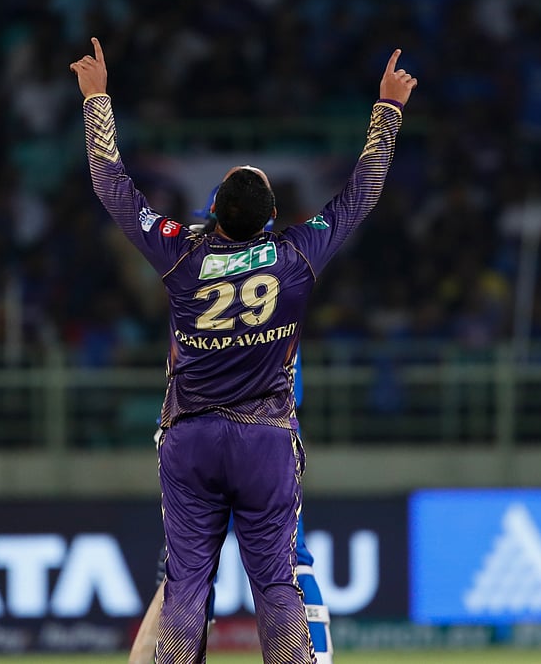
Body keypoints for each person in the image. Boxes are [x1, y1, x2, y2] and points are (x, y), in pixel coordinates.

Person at [71, 37, 415, 663]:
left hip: (191, 440)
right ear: (273, 216)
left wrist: (97, 98)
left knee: (186, 584)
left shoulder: (180, 253)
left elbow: (110, 184)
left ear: (212, 213)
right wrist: (387, 110)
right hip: (265, 440)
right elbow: (362, 192)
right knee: (277, 582)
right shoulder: (297, 255)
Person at [129, 204, 334, 664]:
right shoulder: (283, 269)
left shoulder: (195, 273)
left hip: (203, 437)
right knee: (288, 567)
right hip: (266, 441)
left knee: (186, 573)